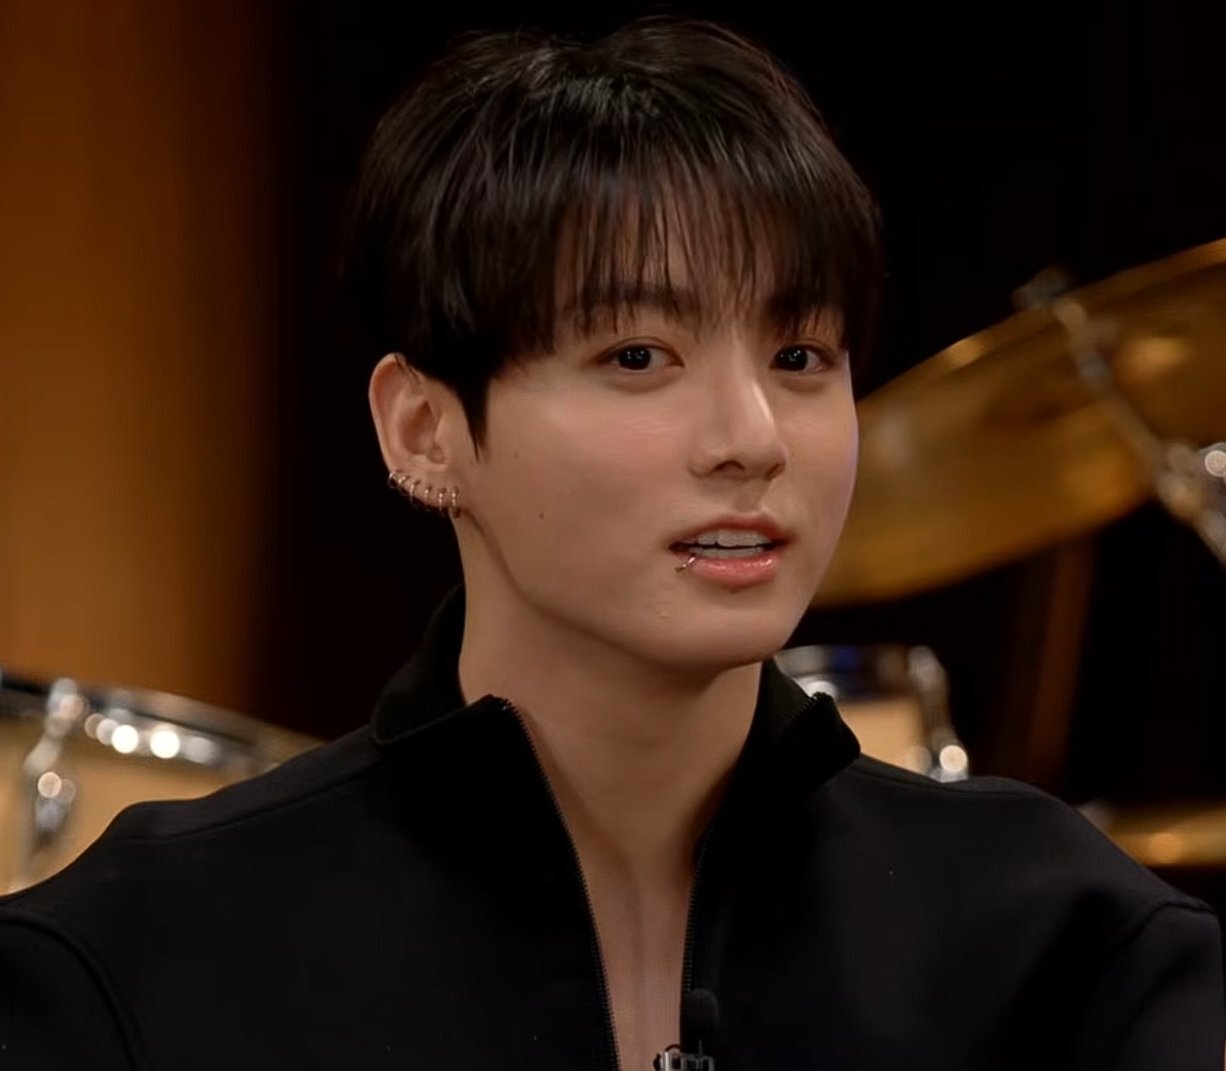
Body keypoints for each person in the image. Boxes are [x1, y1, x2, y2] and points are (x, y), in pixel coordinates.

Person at [1, 17, 1222, 1070]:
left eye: (799, 357)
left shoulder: (1068, 946)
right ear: (425, 428)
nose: (751, 439)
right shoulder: (135, 964)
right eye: (637, 357)